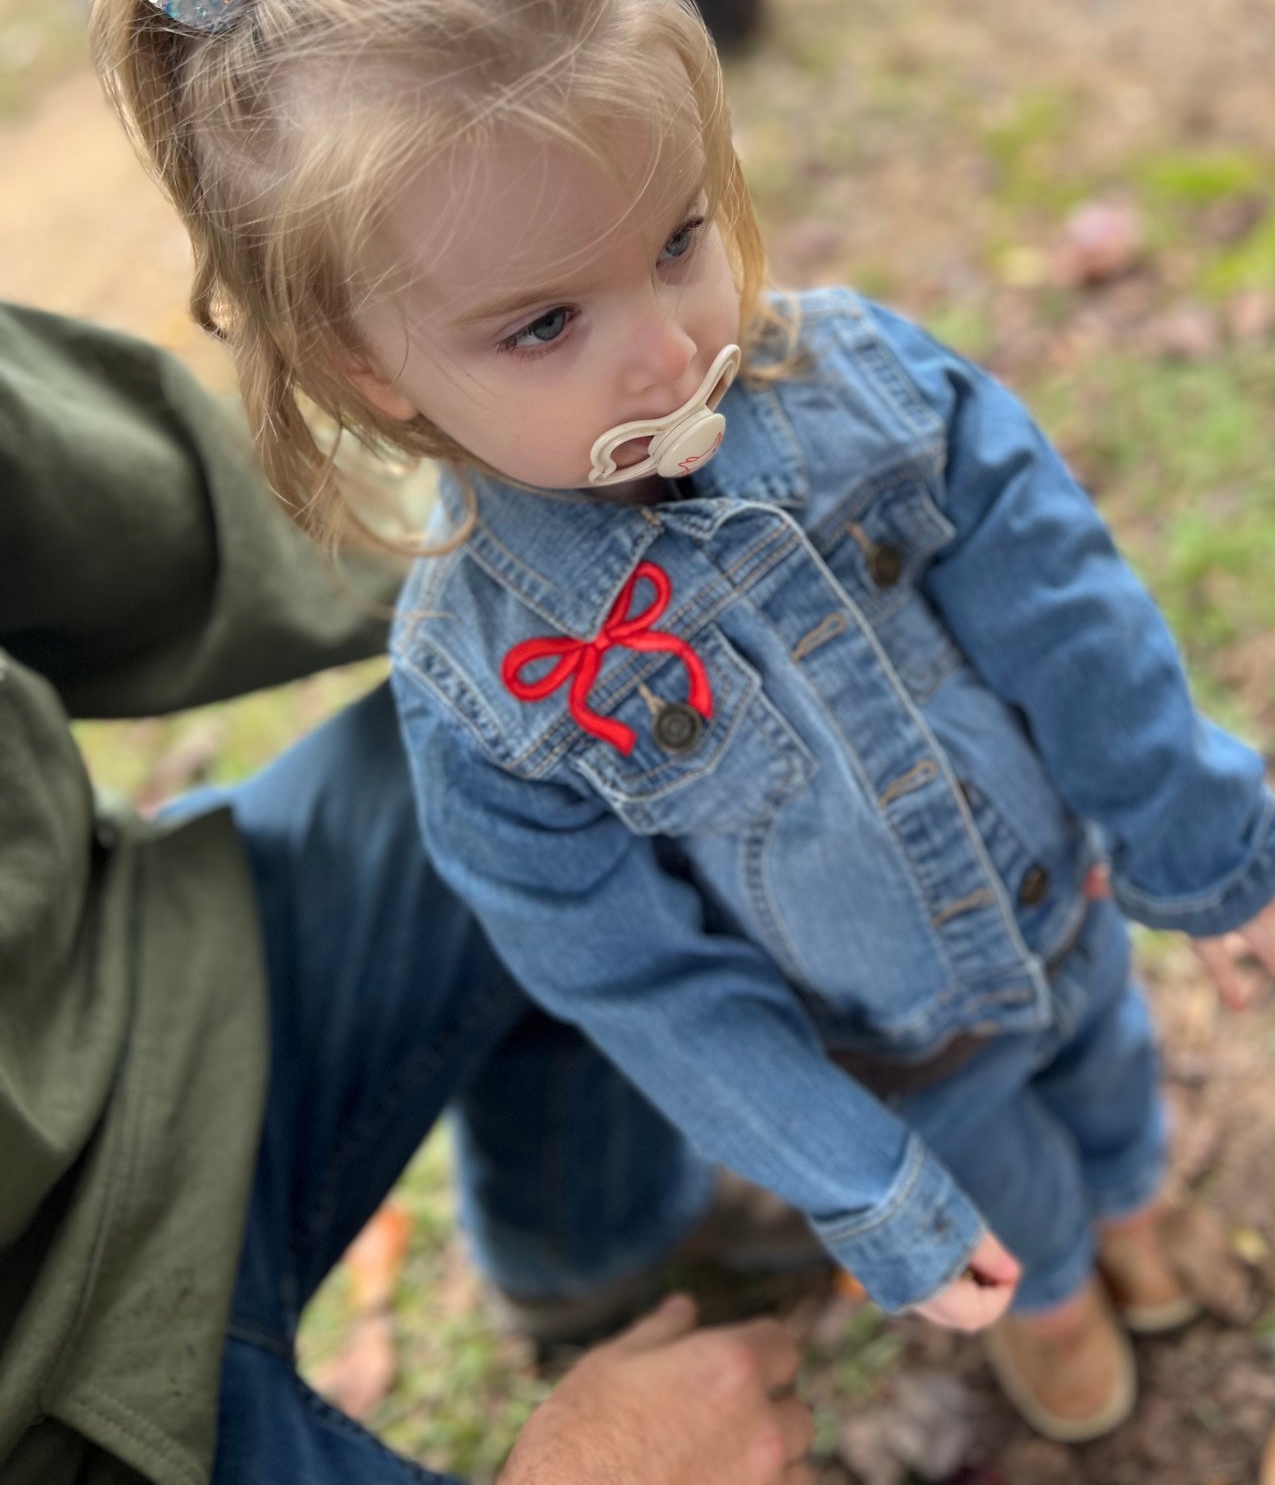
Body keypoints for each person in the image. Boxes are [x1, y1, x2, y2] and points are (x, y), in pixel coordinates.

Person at [90, 0, 1275, 1445]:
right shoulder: (492, 691)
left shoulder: (864, 384)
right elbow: (635, 976)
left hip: (1075, 895)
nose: (666, 343)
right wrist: (855, 1175)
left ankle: (1135, 1203)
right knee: (1006, 1181)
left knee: (1112, 1077)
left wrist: (1179, 806)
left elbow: (1066, 601)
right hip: (897, 1051)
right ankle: (1057, 1278)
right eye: (542, 325)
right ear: (368, 367)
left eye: (676, 235)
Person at [0, 304, 814, 1485]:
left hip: (140, 988)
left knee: (583, 718)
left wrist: (545, 523)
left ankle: (592, 1227)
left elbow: (152, 507)